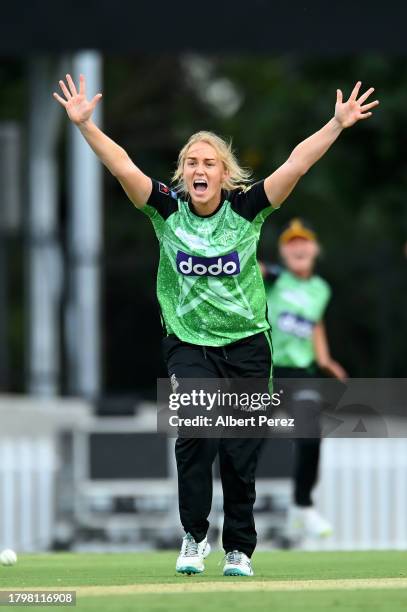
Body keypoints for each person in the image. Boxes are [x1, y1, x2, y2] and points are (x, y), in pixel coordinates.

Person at [53, 74, 378, 576]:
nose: (199, 169)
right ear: (182, 174)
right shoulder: (166, 209)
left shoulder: (247, 210)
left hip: (248, 345)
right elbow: (122, 165)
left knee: (240, 451)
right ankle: (193, 536)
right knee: (196, 431)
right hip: (189, 344)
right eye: (192, 163)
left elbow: (297, 162)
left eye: (209, 163)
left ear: (225, 176)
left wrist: (336, 124)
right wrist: (85, 126)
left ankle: (239, 549)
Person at [263, 218, 347, 544]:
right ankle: (233, 508)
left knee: (310, 436)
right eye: (291, 242)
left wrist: (325, 360)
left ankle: (302, 506)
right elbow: (247, 268)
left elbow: (315, 324)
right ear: (284, 251)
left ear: (314, 248)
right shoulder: (275, 278)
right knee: (247, 443)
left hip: (301, 373)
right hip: (266, 373)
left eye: (304, 241)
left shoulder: (320, 289)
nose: (298, 246)